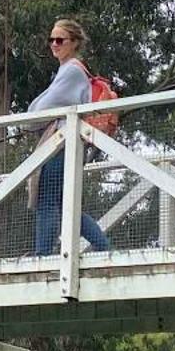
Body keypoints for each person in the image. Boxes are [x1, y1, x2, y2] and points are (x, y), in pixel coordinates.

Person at [28, 18, 112, 257]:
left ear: (74, 43)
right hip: (68, 143)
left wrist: (27, 120)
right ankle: (104, 248)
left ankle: (42, 256)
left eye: (60, 40)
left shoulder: (72, 71)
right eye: (51, 39)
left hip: (63, 144)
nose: (54, 44)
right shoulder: (67, 70)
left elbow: (43, 107)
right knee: (66, 205)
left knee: (46, 200)